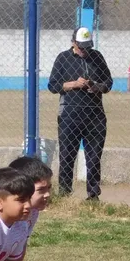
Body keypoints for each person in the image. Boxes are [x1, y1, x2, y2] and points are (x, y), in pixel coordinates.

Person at [47, 27, 113, 201]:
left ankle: (93, 195)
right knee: (67, 155)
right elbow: (53, 86)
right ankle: (64, 193)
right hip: (69, 115)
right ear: (74, 43)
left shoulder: (97, 57)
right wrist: (74, 84)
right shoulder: (63, 58)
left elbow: (108, 82)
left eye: (87, 47)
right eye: (81, 47)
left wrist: (96, 86)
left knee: (94, 157)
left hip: (95, 115)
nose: (84, 51)